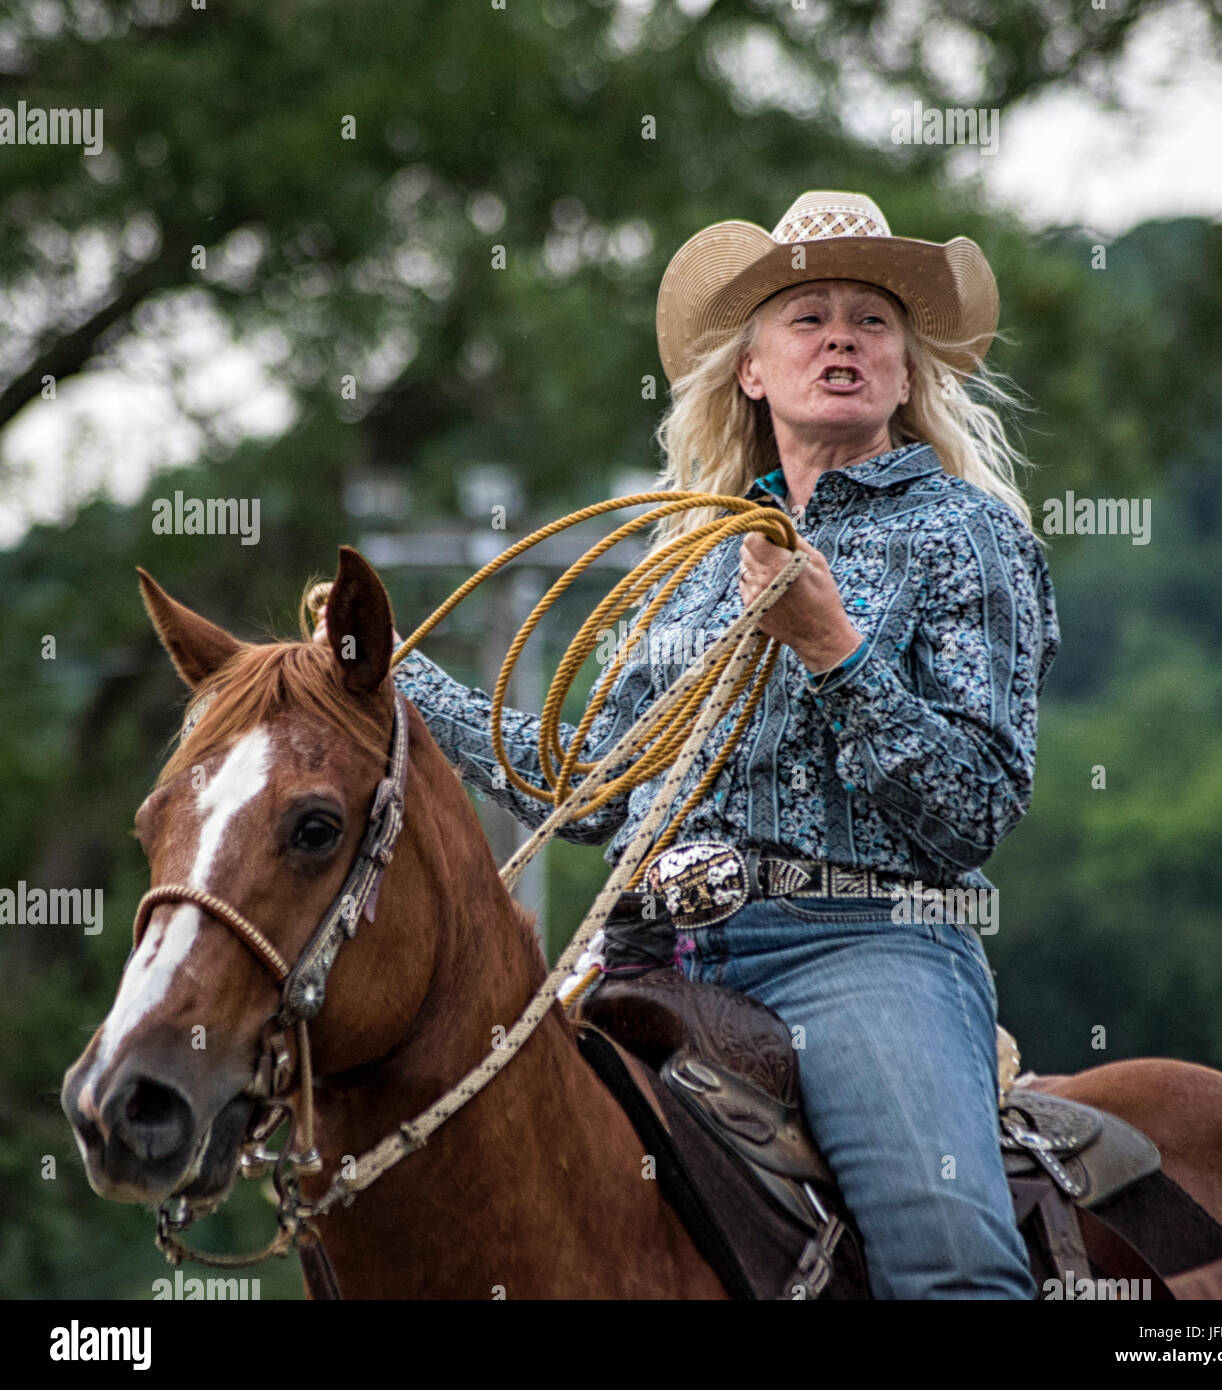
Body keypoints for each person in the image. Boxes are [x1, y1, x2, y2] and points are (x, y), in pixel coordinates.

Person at [320, 191, 1059, 1299]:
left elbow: (973, 807)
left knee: (951, 1269)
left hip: (860, 947)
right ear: (752, 370)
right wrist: (391, 674)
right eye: (807, 317)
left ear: (907, 372)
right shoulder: (693, 560)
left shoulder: (966, 532)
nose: (842, 338)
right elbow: (590, 789)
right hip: (647, 949)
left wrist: (835, 651)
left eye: (871, 320)